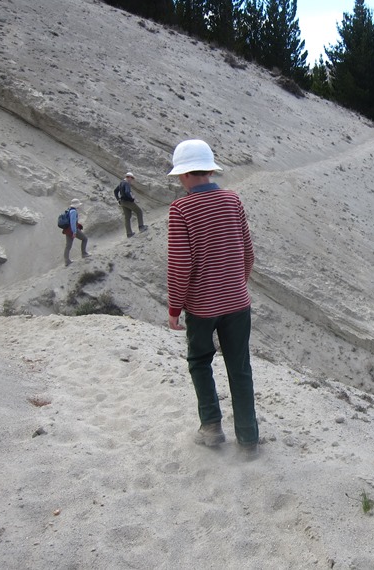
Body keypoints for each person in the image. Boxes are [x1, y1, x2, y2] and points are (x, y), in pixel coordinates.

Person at [166, 139, 259, 458]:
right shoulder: (232, 200)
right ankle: (248, 440)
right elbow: (248, 252)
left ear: (185, 175)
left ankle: (211, 427)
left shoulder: (181, 209)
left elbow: (181, 264)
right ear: (208, 169)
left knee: (199, 361)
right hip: (238, 302)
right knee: (240, 367)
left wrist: (175, 307)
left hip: (202, 307)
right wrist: (235, 285)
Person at [113, 172, 148, 238]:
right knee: (139, 211)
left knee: (127, 217)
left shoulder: (121, 182)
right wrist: (132, 199)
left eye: (132, 178)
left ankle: (129, 233)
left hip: (122, 202)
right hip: (128, 201)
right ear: (128, 177)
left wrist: (118, 199)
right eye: (131, 178)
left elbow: (115, 191)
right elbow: (127, 192)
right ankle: (141, 227)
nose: (131, 179)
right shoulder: (126, 183)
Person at [63, 198, 90, 266]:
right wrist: (74, 232)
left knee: (68, 246)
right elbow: (72, 223)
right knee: (85, 239)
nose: (79, 206)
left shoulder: (69, 210)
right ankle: (84, 254)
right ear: (76, 205)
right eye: (78, 204)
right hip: (72, 229)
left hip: (67, 230)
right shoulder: (74, 211)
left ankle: (67, 261)